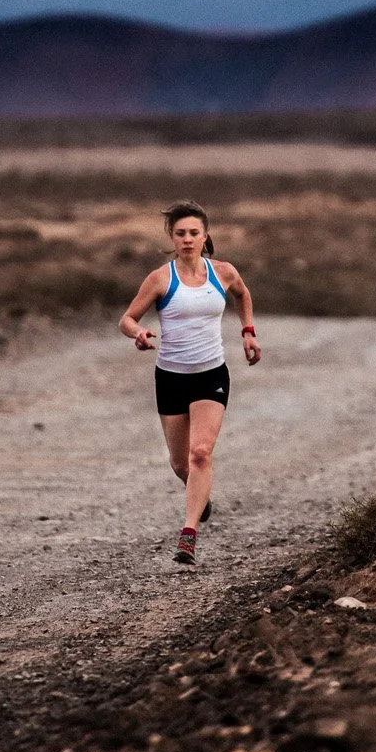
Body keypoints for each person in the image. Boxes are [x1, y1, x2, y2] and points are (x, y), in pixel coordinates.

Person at [117, 202, 259, 565]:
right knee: (181, 464)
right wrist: (139, 332)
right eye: (180, 233)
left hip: (211, 374)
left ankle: (188, 534)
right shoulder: (160, 279)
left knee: (201, 454)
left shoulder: (223, 272)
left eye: (194, 233)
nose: (187, 239)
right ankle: (201, 495)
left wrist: (248, 332)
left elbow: (242, 294)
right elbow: (127, 318)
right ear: (172, 238)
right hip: (170, 377)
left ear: (205, 236)